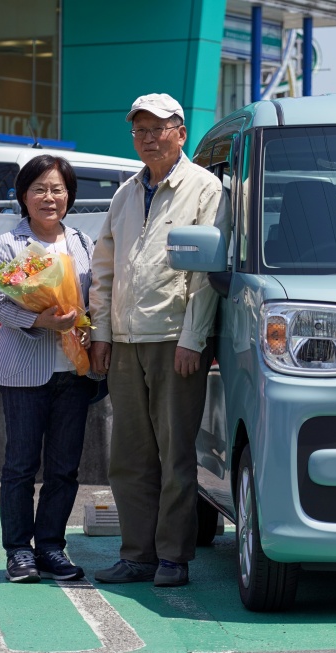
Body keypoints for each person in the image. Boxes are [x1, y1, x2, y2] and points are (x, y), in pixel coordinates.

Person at [90, 93, 225, 587]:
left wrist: (194, 337)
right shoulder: (126, 192)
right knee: (128, 457)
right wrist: (101, 333)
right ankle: (137, 555)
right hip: (125, 340)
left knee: (175, 455)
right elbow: (104, 268)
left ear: (181, 133)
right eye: (140, 130)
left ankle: (172, 557)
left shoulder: (205, 187)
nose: (148, 138)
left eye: (158, 128)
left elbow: (207, 272)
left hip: (174, 340)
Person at [0, 154, 97, 583]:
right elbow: (1, 305)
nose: (49, 198)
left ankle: (50, 546)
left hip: (74, 371)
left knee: (64, 467)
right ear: (23, 196)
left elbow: (94, 301)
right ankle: (19, 550)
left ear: (69, 195)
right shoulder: (7, 244)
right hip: (23, 373)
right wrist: (41, 320)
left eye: (57, 189)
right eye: (39, 189)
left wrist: (88, 328)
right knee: (20, 465)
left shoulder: (83, 243)